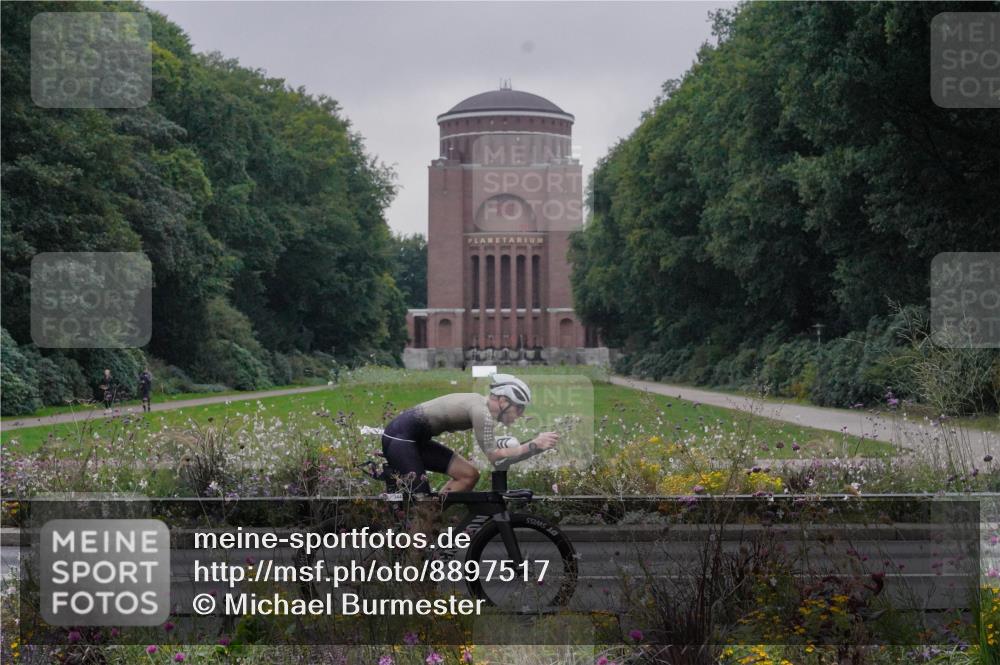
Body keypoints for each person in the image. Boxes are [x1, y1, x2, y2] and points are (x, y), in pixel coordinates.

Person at [381, 374, 559, 495]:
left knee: (468, 475)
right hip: (400, 439)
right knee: (423, 509)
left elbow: (495, 448)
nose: (520, 415)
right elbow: (495, 457)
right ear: (504, 401)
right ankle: (422, 531)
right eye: (519, 408)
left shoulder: (482, 409)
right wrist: (534, 445)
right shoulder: (481, 412)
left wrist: (530, 445)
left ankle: (434, 516)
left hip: (414, 440)